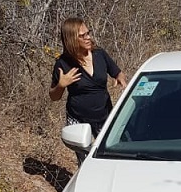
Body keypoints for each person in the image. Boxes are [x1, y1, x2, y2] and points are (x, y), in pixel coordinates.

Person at [49, 18, 127, 160]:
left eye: (88, 33)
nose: (88, 37)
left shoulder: (100, 54)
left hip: (104, 115)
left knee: (110, 155)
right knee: (85, 160)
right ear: (71, 38)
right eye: (82, 35)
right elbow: (54, 96)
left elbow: (117, 72)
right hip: (78, 118)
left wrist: (120, 78)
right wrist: (61, 85)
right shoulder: (63, 63)